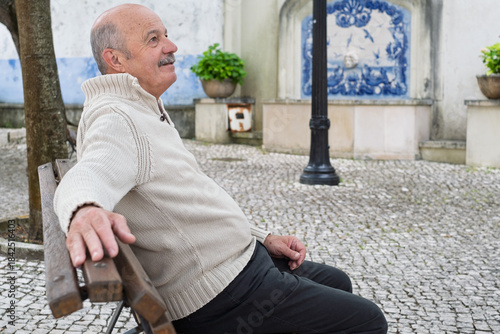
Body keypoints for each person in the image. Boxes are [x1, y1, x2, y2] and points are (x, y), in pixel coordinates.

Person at [54, 4, 388, 334]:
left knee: (338, 281)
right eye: (153, 39)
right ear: (116, 59)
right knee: (368, 322)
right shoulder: (117, 118)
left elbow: (188, 205)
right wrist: (84, 209)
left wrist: (261, 238)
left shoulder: (139, 105)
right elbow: (93, 171)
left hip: (235, 265)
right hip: (223, 296)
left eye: (166, 35)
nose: (171, 46)